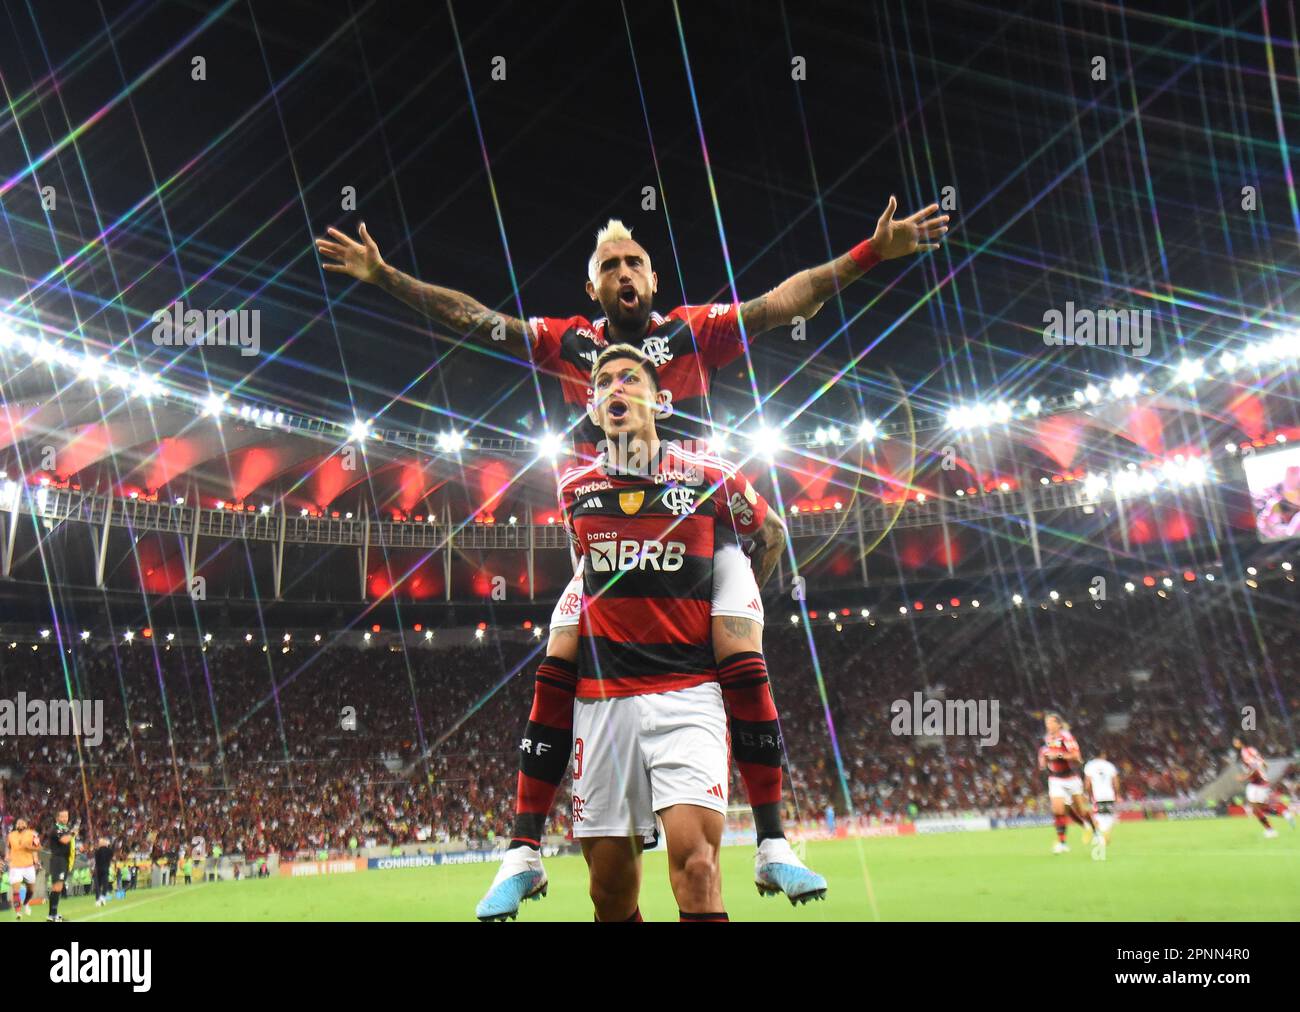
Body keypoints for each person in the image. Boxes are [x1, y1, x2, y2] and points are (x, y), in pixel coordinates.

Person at [317, 201, 947, 918]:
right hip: (610, 548)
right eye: (609, 265)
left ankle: (773, 839)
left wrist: (869, 253)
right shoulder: (569, 344)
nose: (624, 272)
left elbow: (786, 300)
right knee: (558, 656)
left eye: (634, 262)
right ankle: (522, 850)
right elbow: (471, 319)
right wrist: (384, 274)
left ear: (651, 277)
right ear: (593, 289)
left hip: (704, 530)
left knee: (736, 651)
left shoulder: (692, 331)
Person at [553, 345, 785, 920]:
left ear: (660, 400)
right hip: (606, 700)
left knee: (699, 869)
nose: (615, 389)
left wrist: (740, 608)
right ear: (591, 407)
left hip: (688, 686)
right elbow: (586, 569)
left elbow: (772, 534)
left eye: (629, 379)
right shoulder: (574, 489)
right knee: (608, 892)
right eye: (603, 382)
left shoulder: (713, 477)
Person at [1038, 713, 1100, 853]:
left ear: (1058, 724)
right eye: (1046, 723)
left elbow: (1077, 758)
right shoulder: (1048, 739)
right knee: (1058, 810)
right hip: (1055, 779)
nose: (1048, 726)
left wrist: (1059, 755)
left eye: (1051, 723)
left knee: (1081, 810)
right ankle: (1062, 843)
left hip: (1071, 778)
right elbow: (1046, 756)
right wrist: (1045, 760)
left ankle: (1095, 830)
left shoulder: (1066, 737)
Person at [1232, 736, 1295, 837]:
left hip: (1257, 783)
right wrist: (1262, 772)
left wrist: (1244, 777)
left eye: (1235, 740)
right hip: (1260, 782)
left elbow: (1254, 767)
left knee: (1257, 808)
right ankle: (1284, 814)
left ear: (1241, 741)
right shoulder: (1252, 749)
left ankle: (1272, 828)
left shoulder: (1245, 752)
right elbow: (1264, 764)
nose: (1234, 742)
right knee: (1258, 808)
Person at [45, 809, 76, 921]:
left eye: (66, 816)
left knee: (59, 887)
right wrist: (73, 833)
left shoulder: (65, 829)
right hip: (58, 860)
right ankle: (52, 915)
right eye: (62, 817)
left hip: (65, 860)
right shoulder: (56, 829)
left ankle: (53, 914)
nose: (65, 819)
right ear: (57, 818)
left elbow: (69, 842)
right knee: (57, 887)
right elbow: (64, 840)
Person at [5, 818, 40, 918]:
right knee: (16, 891)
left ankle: (26, 904)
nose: (20, 824)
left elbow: (37, 848)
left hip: (28, 865)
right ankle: (18, 912)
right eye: (18, 823)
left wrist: (35, 858)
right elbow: (8, 847)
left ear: (26, 824)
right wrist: (7, 855)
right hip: (15, 866)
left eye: (22, 823)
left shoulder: (33, 834)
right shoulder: (11, 835)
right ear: (16, 826)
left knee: (31, 890)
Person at [1083, 751, 1120, 845]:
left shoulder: (1090, 766)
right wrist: (1117, 794)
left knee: (1097, 815)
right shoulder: (1110, 765)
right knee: (1108, 816)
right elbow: (1115, 782)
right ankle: (1104, 835)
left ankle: (1095, 833)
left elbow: (1087, 784)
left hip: (1097, 795)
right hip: (1109, 795)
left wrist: (1088, 794)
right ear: (1103, 755)